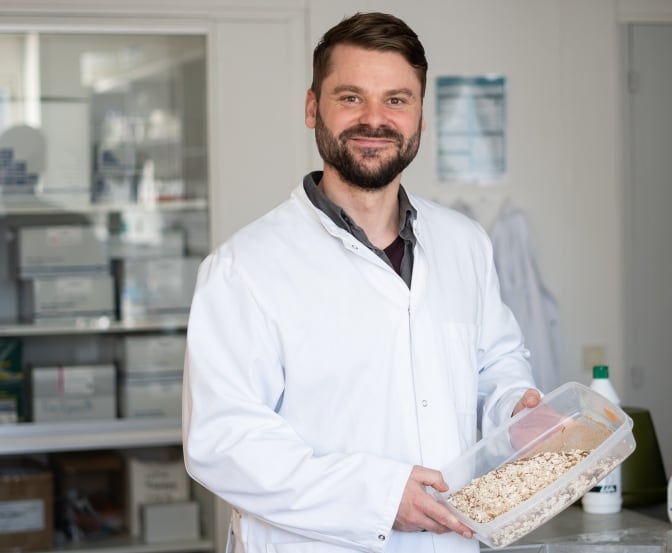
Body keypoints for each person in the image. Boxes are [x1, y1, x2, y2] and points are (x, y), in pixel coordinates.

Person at [182, 12, 541, 553]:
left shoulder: (465, 243)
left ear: (421, 114)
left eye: (397, 100)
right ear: (312, 108)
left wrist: (517, 409)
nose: (375, 119)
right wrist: (376, 496)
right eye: (351, 97)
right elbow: (223, 441)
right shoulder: (244, 268)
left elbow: (496, 364)